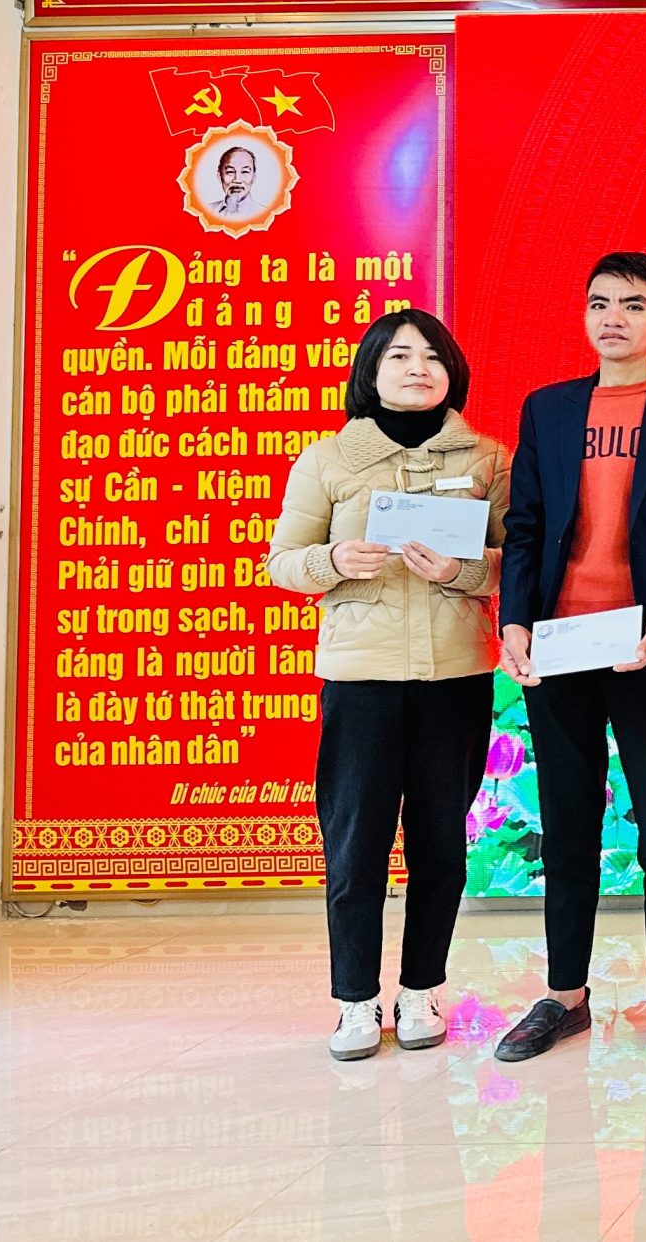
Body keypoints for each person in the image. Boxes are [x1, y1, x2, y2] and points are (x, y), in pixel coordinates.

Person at [493, 252, 646, 1065]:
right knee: (567, 825)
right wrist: (514, 621)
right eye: (599, 303)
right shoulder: (549, 409)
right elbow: (526, 527)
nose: (614, 317)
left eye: (633, 305)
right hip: (562, 645)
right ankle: (564, 997)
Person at [267, 310, 507, 1061]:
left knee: (442, 843)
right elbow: (283, 561)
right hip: (362, 680)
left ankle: (422, 989)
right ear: (370, 371)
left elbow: (517, 561)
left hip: (455, 676)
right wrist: (334, 561)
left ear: (452, 372)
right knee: (356, 845)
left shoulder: (488, 458)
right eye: (399, 356)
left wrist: (462, 570)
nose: (417, 369)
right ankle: (355, 1001)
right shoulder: (328, 459)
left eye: (433, 357)